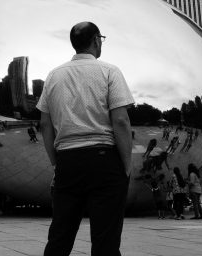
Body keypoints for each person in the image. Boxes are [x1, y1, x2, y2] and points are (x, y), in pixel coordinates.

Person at [37, 22, 134, 256]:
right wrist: (127, 164)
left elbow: (44, 124)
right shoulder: (109, 71)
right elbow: (121, 121)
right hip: (104, 160)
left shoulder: (54, 75)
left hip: (68, 161)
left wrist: (56, 162)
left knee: (60, 236)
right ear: (96, 41)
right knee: (105, 240)